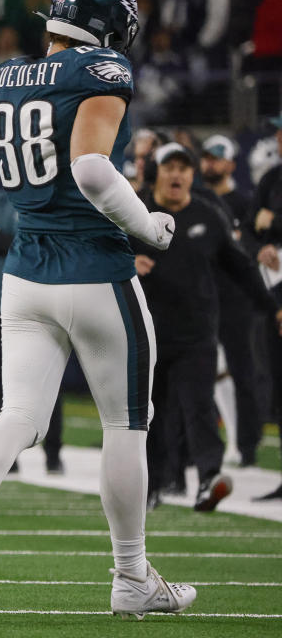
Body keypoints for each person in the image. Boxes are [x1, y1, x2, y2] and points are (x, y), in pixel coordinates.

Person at [0, 0, 197, 620]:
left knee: (20, 415)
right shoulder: (100, 69)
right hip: (96, 266)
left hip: (25, 268)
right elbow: (92, 171)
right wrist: (151, 229)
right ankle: (131, 576)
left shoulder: (7, 76)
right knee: (126, 425)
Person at [134, 143, 281, 511]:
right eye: (170, 167)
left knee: (199, 408)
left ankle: (208, 480)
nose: (177, 174)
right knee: (150, 414)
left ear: (192, 175)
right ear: (157, 172)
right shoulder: (131, 212)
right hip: (144, 333)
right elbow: (96, 252)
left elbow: (241, 268)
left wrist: (274, 307)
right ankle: (151, 485)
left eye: (185, 168)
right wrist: (125, 261)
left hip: (197, 333)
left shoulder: (207, 213)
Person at [0, 189, 65, 474]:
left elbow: (45, 248)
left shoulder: (49, 198)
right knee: (3, 382)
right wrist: (6, 243)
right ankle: (9, 456)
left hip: (40, 305)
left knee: (48, 380)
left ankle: (53, 453)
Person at [199, 134, 263, 467]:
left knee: (242, 373)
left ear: (231, 164)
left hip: (236, 300)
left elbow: (251, 252)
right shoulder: (197, 202)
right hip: (203, 298)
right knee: (201, 373)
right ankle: (206, 446)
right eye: (206, 157)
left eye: (216, 157)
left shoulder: (245, 204)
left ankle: (248, 446)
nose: (210, 162)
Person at [251, 111, 282, 501]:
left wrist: (272, 224)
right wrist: (261, 245)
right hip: (273, 293)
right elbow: (248, 228)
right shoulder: (272, 180)